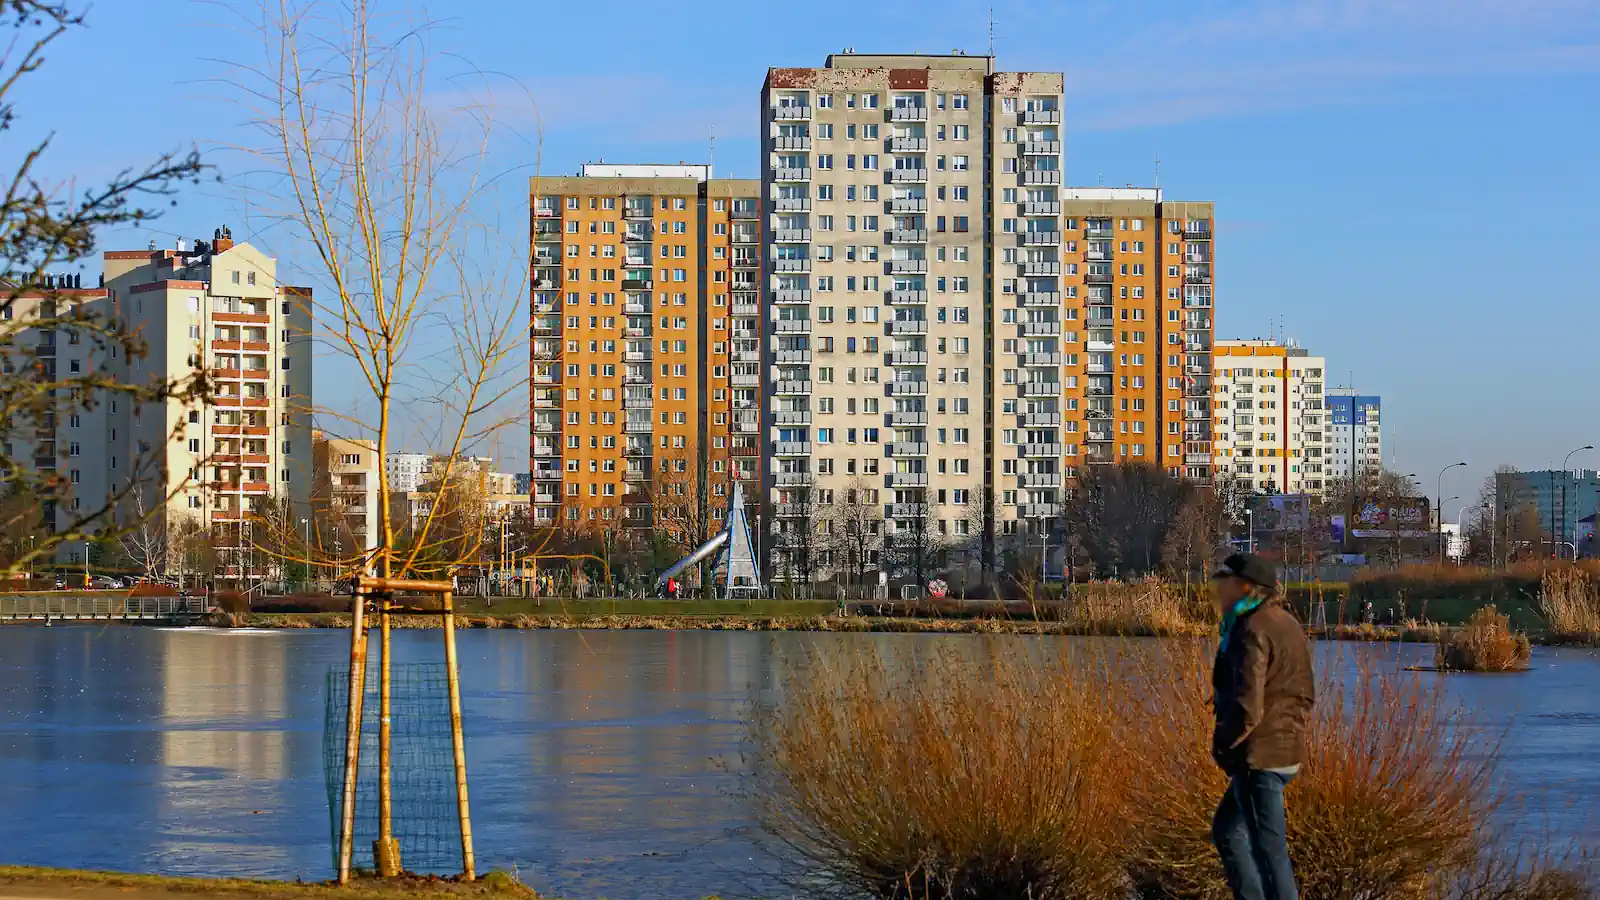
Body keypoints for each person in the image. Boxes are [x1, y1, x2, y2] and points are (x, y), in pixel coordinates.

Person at [1209, 553, 1316, 900]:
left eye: (1224, 582)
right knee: (1228, 830)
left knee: (1270, 854)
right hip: (1286, 749)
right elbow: (1303, 692)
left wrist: (1224, 745)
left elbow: (1248, 706)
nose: (1218, 590)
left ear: (1245, 587)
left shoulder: (1249, 629)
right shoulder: (1286, 623)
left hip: (1259, 756)